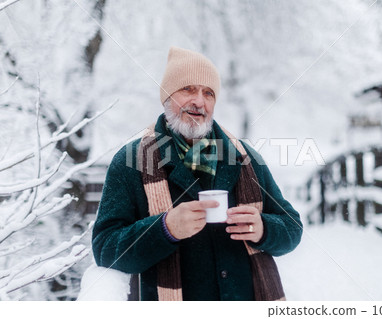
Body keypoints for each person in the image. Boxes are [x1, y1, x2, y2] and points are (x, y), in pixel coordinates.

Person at [92, 47, 302, 301]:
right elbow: (105, 246)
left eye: (208, 93)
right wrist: (164, 229)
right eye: (188, 89)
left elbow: (292, 226)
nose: (199, 101)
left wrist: (264, 228)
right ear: (167, 97)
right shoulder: (130, 162)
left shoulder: (245, 158)